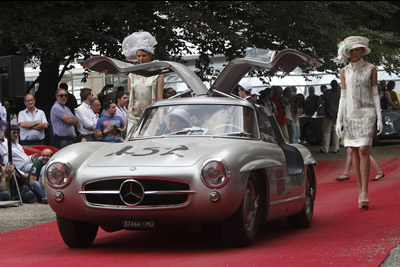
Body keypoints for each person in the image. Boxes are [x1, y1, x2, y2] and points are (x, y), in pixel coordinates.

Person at [335, 36, 383, 210]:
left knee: (364, 149)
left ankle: (365, 191)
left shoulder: (371, 69)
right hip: (350, 114)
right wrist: (338, 120)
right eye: (352, 50)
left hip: (368, 113)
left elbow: (375, 93)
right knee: (354, 151)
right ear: (348, 53)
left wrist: (379, 116)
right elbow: (342, 96)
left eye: (357, 49)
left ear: (362, 51)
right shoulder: (344, 71)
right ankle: (360, 189)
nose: (355, 52)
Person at [122, 31, 164, 134]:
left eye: (144, 55)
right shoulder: (132, 74)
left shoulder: (158, 74)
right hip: (134, 116)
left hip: (151, 116)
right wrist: (127, 120)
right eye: (138, 56)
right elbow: (131, 98)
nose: (141, 59)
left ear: (150, 55)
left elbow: (160, 98)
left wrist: (162, 119)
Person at [320, 80, 340, 154]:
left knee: (326, 131)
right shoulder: (340, 93)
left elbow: (324, 102)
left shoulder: (327, 93)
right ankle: (336, 148)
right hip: (337, 114)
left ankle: (325, 148)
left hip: (329, 113)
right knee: (336, 131)